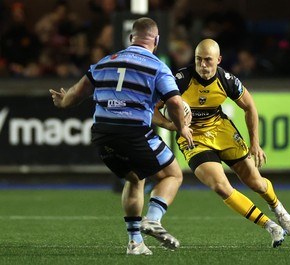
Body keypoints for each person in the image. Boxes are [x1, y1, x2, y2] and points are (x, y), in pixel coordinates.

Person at [49, 17, 193, 256]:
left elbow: (78, 92)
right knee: (172, 175)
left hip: (103, 134)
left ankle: (135, 242)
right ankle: (153, 220)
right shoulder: (158, 67)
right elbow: (176, 102)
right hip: (133, 132)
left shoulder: (105, 62)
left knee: (135, 178)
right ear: (156, 41)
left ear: (130, 39)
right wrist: (182, 127)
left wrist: (62, 102)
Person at [153, 38, 290, 248]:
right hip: (194, 138)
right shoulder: (179, 80)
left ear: (218, 60)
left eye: (208, 60)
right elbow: (151, 110)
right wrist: (172, 125)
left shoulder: (226, 79)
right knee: (220, 186)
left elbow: (250, 106)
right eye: (198, 60)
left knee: (255, 182)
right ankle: (270, 226)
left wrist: (255, 143)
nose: (202, 65)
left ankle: (277, 207)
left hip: (222, 130)